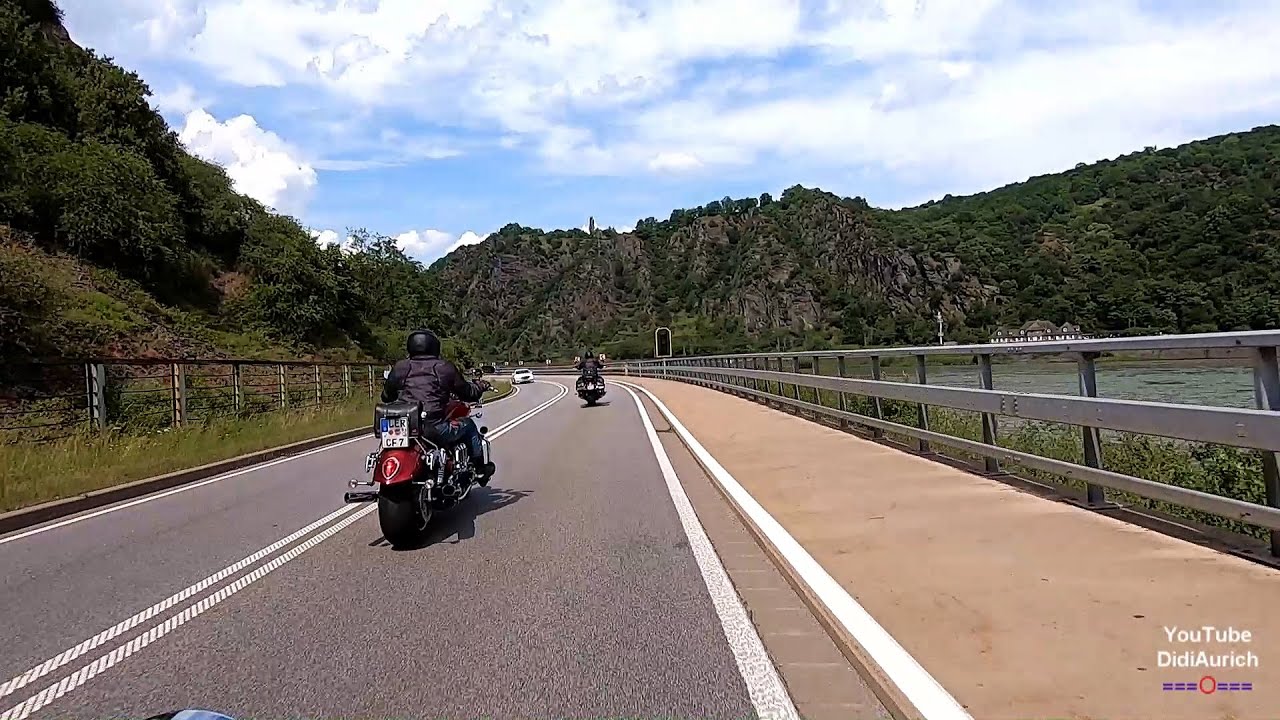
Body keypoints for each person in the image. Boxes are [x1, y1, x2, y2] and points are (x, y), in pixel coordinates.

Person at [381, 329, 496, 484]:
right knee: (468, 425)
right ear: (435, 346)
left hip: (403, 426)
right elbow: (468, 393)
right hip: (433, 427)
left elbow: (387, 396)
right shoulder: (443, 367)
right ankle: (480, 468)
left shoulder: (400, 367)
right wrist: (480, 386)